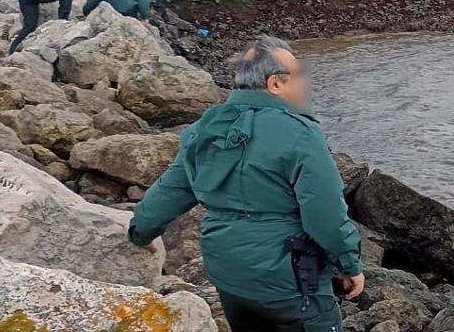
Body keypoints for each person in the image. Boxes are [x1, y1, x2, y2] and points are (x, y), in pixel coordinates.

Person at [127, 36, 364, 332]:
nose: (305, 81)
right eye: (300, 73)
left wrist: (140, 230)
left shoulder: (205, 126)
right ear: (275, 83)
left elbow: (173, 189)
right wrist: (348, 264)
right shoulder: (300, 133)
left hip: (229, 276)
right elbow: (325, 214)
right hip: (290, 283)